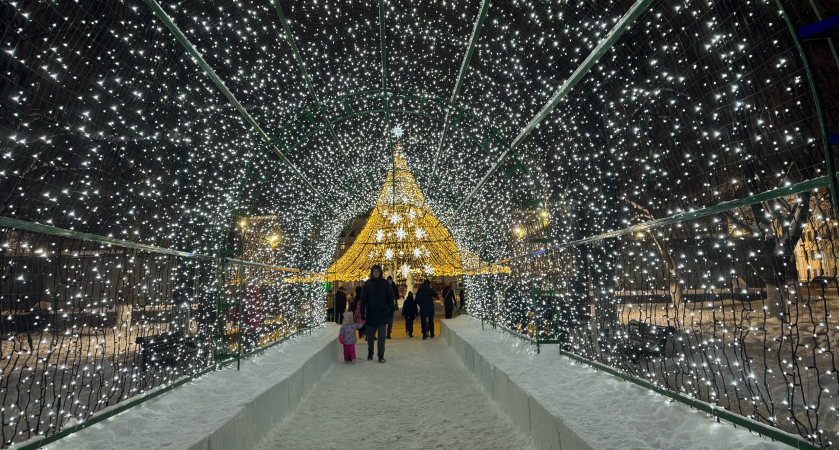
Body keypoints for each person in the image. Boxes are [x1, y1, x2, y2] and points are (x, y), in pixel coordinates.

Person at [360, 264, 394, 363]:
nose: (376, 273)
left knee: (381, 336)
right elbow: (363, 299)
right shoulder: (367, 284)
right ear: (372, 273)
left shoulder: (385, 283)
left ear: (380, 273)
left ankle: (381, 355)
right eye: (374, 272)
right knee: (370, 336)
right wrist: (362, 312)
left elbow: (390, 297)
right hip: (371, 314)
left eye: (377, 272)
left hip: (382, 314)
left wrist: (391, 310)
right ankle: (370, 351)